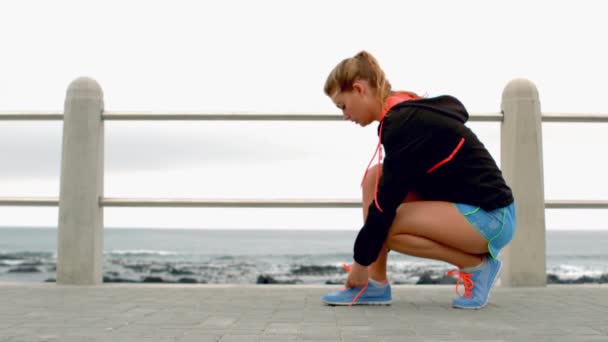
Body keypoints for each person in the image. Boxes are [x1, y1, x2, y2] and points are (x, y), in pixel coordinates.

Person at [320, 51, 516, 309]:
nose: (344, 115)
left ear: (358, 89)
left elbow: (384, 206)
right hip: (464, 206)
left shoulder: (403, 123)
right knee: (373, 177)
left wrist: (360, 264)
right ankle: (375, 285)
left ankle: (476, 267)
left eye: (342, 106)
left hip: (491, 217)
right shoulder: (400, 111)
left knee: (385, 225)